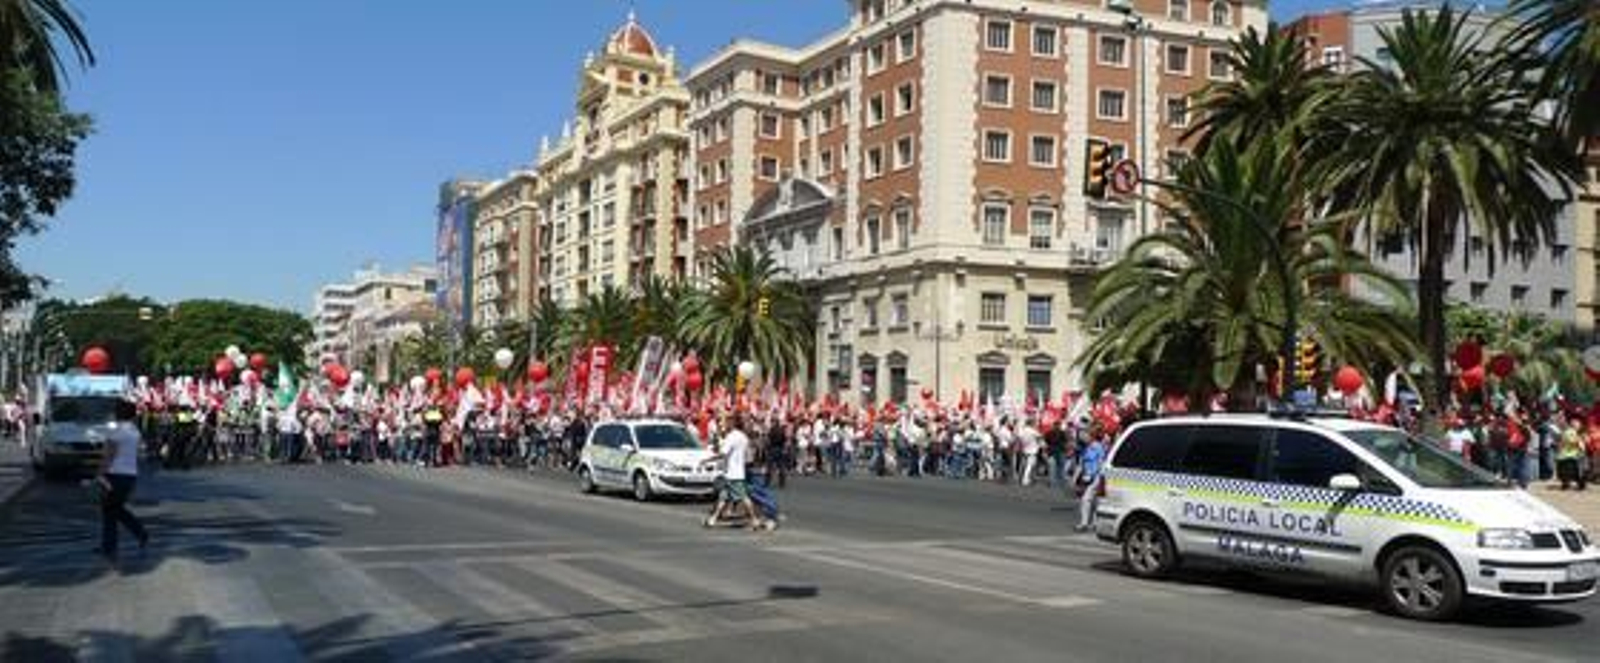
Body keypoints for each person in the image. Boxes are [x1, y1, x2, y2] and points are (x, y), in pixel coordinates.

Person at [95, 400, 149, 561]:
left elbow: (109, 455)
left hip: (114, 475)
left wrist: (99, 473)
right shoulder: (135, 431)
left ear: (119, 414)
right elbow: (139, 454)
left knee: (110, 509)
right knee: (114, 509)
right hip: (130, 475)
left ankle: (117, 543)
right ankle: (113, 544)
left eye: (115, 411)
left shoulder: (116, 431)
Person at [705, 413, 765, 531]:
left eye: (726, 422)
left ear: (732, 423)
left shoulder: (731, 437)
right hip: (734, 472)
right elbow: (748, 454)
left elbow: (723, 453)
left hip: (733, 473)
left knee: (743, 497)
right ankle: (712, 519)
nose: (725, 425)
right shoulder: (743, 436)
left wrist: (707, 460)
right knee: (723, 497)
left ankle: (755, 520)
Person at [1073, 426, 1108, 533]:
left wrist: (1098, 478)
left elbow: (1101, 463)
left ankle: (1085, 524)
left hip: (1096, 477)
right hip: (1087, 477)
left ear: (1091, 436)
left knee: (1086, 499)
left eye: (1085, 435)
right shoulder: (1086, 448)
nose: (1083, 437)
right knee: (1093, 501)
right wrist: (1075, 477)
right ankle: (1094, 523)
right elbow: (1081, 463)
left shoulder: (1098, 447)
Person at [1556, 412, 1587, 491]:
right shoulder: (1569, 431)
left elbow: (1582, 443)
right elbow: (1572, 441)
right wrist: (1580, 440)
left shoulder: (1576, 433)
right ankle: (1567, 484)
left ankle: (1579, 484)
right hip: (1567, 456)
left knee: (1576, 472)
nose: (1577, 425)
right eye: (1575, 423)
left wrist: (1582, 441)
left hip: (1573, 456)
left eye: (1578, 423)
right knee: (1568, 472)